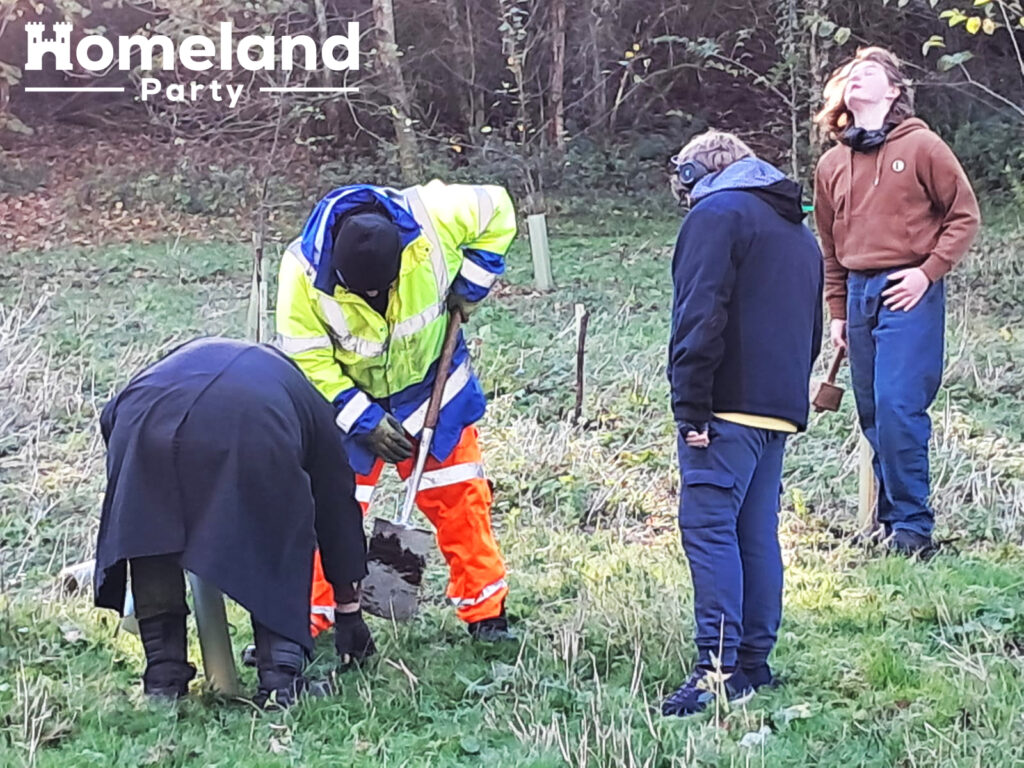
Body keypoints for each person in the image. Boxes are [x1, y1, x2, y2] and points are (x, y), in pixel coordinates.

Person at [275, 180, 517, 641]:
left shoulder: (434, 216)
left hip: (432, 388)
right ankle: (310, 620)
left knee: (460, 497)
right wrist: (363, 420)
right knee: (328, 511)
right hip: (347, 400)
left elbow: (498, 208)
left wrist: (474, 282)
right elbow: (307, 358)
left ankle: (486, 615)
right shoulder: (300, 273)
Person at [94, 337, 375, 705]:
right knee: (279, 533)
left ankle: (163, 682)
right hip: (248, 425)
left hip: (140, 416)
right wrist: (348, 612)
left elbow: (111, 417)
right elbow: (335, 510)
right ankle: (281, 682)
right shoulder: (313, 407)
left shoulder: (214, 358)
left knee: (151, 533)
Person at [663, 131, 823, 717]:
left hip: (724, 407)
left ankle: (716, 668)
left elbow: (699, 314)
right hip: (776, 410)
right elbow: (811, 330)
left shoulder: (717, 215)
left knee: (709, 532)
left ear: (696, 172)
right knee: (755, 534)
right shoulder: (797, 233)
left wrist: (691, 406)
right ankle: (753, 663)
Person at [813, 47, 980, 555]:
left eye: (870, 74)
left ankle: (913, 530)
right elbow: (830, 244)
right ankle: (889, 525)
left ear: (893, 92)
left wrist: (926, 274)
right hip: (859, 294)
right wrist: (838, 311)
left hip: (908, 292)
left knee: (898, 406)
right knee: (870, 412)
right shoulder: (832, 163)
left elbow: (964, 216)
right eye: (850, 75)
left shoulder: (923, 146)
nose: (856, 80)